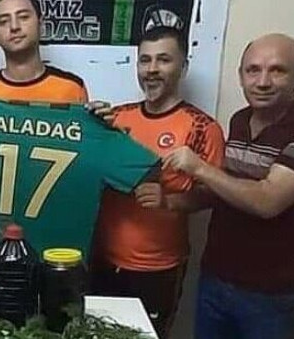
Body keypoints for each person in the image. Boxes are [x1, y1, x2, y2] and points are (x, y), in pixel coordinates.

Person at [163, 33, 294, 339]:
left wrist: (199, 168)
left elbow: (267, 201)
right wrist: (168, 201)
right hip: (215, 279)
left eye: (277, 70)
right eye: (253, 70)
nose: (262, 81)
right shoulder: (240, 120)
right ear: (240, 76)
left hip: (271, 297)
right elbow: (226, 191)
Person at [88, 27, 225, 338]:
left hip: (157, 269)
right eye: (145, 60)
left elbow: (211, 196)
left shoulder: (203, 127)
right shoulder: (116, 118)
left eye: (163, 60)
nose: (151, 69)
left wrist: (168, 201)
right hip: (103, 260)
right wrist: (90, 125)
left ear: (183, 67)